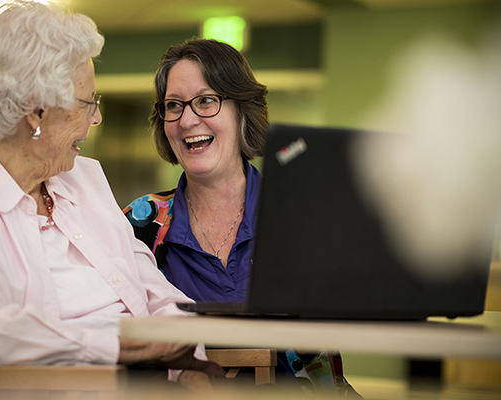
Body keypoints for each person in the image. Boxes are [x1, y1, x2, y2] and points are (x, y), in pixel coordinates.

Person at [0, 1, 222, 389]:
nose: (96, 118)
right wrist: (131, 346)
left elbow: (156, 293)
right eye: (88, 102)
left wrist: (189, 361)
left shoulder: (84, 179)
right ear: (36, 113)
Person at [124, 38, 360, 397]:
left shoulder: (303, 216)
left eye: (206, 100)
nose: (187, 120)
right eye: (174, 105)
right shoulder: (138, 225)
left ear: (242, 109)